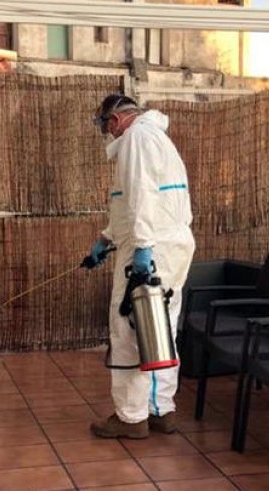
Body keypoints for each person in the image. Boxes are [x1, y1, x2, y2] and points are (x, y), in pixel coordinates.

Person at [82, 93, 195, 439]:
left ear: (114, 120)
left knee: (128, 328)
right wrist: (106, 239)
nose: (107, 134)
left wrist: (142, 250)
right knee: (160, 327)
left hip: (149, 248)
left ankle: (131, 417)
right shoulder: (156, 138)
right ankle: (161, 410)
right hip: (170, 246)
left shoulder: (135, 139)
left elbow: (142, 197)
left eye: (105, 126)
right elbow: (131, 202)